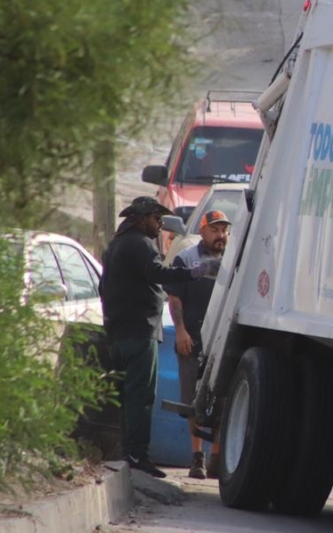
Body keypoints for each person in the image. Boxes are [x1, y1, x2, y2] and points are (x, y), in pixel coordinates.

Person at [99, 196, 216, 478]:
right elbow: (158, 272)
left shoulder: (114, 246)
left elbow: (104, 288)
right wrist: (195, 272)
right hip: (140, 333)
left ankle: (129, 452)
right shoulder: (140, 244)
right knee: (141, 396)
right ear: (141, 219)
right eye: (155, 218)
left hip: (118, 333)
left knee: (127, 396)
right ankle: (138, 455)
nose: (160, 223)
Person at [165, 210, 230, 479]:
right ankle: (197, 458)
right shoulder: (186, 258)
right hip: (191, 339)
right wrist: (180, 330)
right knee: (192, 400)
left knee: (221, 399)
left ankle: (216, 458)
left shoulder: (234, 261)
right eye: (215, 230)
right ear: (202, 232)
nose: (221, 236)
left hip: (221, 342)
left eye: (224, 230)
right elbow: (175, 298)